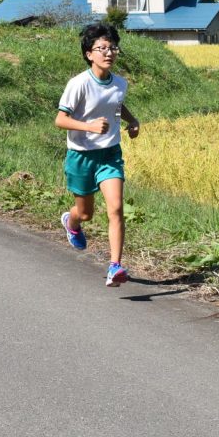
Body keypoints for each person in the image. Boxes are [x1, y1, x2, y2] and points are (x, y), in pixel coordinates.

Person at [55, 23, 140, 287]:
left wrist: (132, 120)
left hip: (110, 154)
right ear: (89, 54)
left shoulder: (120, 83)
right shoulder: (78, 84)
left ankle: (115, 266)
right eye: (101, 48)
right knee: (86, 213)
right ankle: (72, 221)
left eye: (113, 47)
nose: (109, 53)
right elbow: (60, 120)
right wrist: (89, 126)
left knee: (115, 208)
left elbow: (116, 103)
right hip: (81, 156)